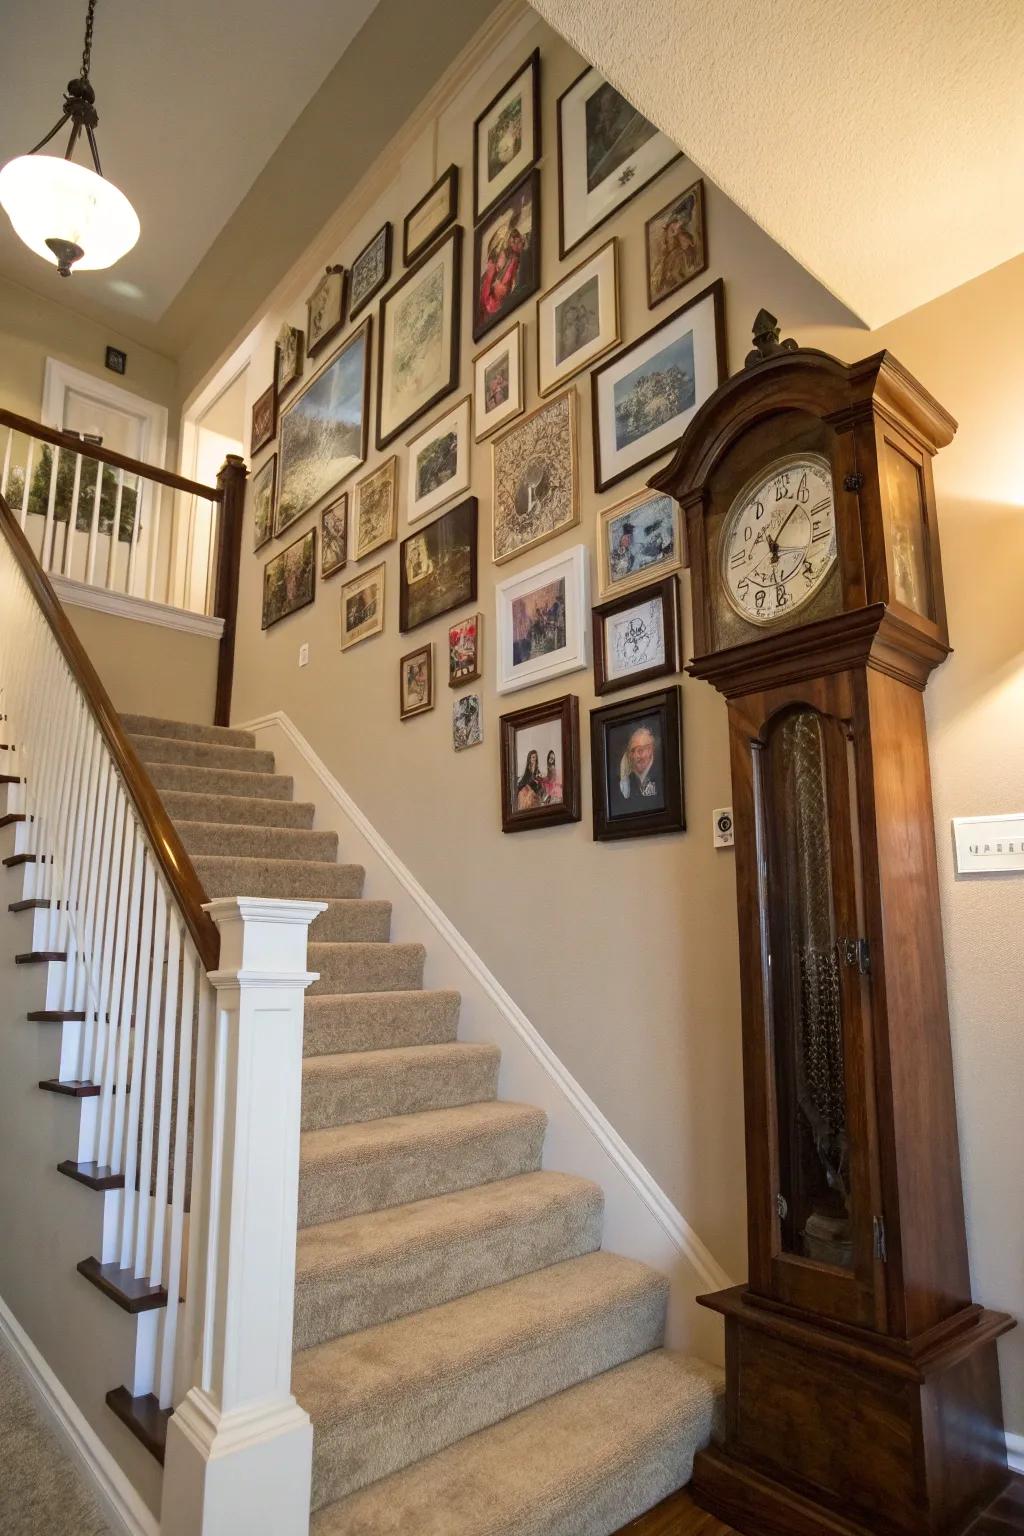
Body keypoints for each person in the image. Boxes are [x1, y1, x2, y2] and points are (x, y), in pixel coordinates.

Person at [610, 724, 663, 814]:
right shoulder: (623, 782)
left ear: (650, 750)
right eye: (632, 751)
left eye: (640, 750)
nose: (635, 756)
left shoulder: (662, 775)